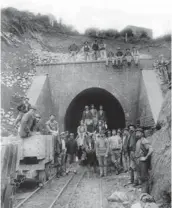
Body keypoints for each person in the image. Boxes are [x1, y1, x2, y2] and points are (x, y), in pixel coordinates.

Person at [134, 128, 153, 193]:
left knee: (144, 177)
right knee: (141, 177)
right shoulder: (138, 141)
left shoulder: (144, 140)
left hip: (143, 162)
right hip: (138, 161)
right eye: (136, 133)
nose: (137, 134)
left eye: (138, 132)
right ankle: (143, 192)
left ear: (142, 134)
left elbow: (151, 150)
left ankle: (145, 193)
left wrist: (146, 157)